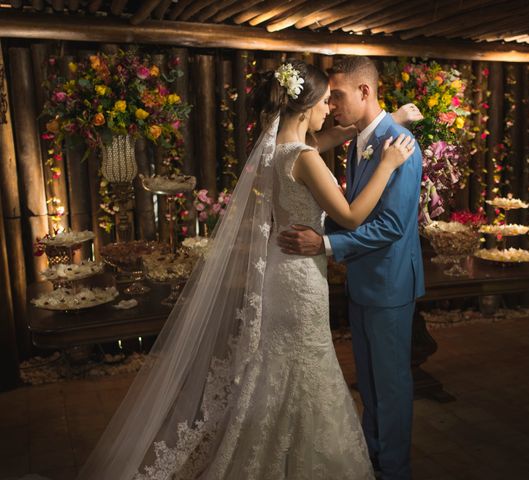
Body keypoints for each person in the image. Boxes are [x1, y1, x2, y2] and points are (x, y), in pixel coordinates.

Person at [75, 60, 415, 480]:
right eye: (326, 101)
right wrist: (386, 164)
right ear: (307, 105)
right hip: (301, 281)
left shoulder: (276, 151)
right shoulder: (306, 157)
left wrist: (388, 122)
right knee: (305, 366)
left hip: (280, 273)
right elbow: (349, 215)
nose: (331, 109)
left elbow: (329, 137)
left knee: (279, 367)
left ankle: (270, 449)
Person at [278, 56, 425, 480]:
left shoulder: (399, 145)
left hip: (390, 284)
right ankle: (372, 461)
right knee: (371, 384)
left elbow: (392, 225)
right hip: (362, 281)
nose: (333, 104)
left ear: (364, 91)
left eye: (338, 95)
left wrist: (324, 244)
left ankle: (394, 470)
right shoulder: (361, 140)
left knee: (391, 386)